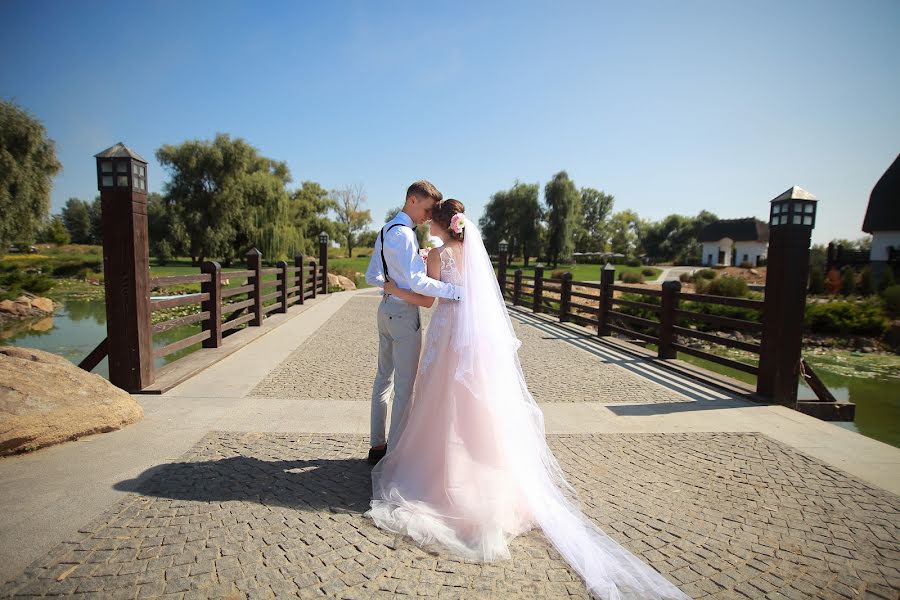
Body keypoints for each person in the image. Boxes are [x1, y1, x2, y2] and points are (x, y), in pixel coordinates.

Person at [366, 200, 691, 600]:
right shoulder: (471, 253)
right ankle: (486, 469)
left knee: (440, 405)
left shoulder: (437, 254)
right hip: (474, 344)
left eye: (432, 220)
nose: (427, 224)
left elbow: (430, 299)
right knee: (473, 407)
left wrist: (395, 287)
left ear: (440, 224)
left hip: (447, 336)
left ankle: (442, 477)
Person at [363, 181, 463, 466]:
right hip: (404, 315)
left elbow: (372, 275)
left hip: (384, 310)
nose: (430, 216)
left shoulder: (385, 230)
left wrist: (391, 285)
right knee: (404, 387)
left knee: (382, 379)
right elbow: (419, 282)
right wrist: (454, 291)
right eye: (428, 209)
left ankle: (377, 445)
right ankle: (394, 453)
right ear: (412, 200)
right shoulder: (406, 235)